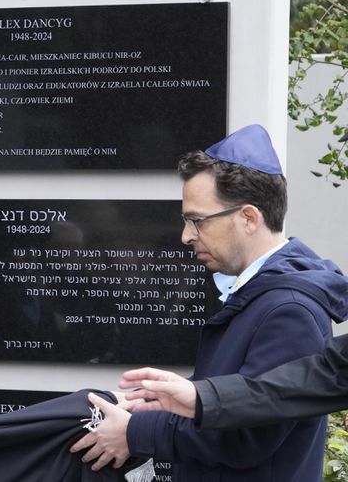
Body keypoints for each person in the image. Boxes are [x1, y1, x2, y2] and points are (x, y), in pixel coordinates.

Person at [71, 124, 348, 481]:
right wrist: (149, 404)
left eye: (197, 221)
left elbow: (247, 434)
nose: (187, 236)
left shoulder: (289, 309)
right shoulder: (261, 292)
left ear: (248, 217)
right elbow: (230, 395)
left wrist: (134, 432)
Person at [118, 330, 348, 429]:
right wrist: (203, 398)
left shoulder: (292, 305)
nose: (186, 237)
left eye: (198, 225)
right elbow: (324, 375)